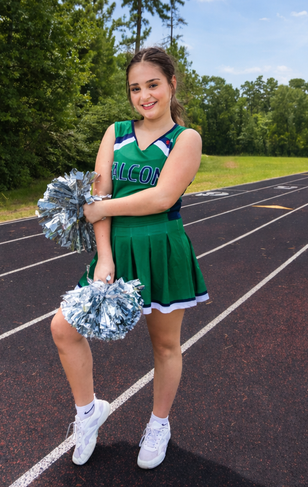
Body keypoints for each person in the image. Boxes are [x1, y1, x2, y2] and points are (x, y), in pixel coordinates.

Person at [50, 46, 208, 470]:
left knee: (165, 345)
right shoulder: (115, 132)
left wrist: (102, 208)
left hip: (161, 247)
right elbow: (97, 195)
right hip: (116, 248)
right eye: (135, 88)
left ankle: (159, 423)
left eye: (153, 85)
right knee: (63, 328)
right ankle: (88, 412)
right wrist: (104, 256)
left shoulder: (185, 139)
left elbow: (162, 197)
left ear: (172, 85)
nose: (144, 96)